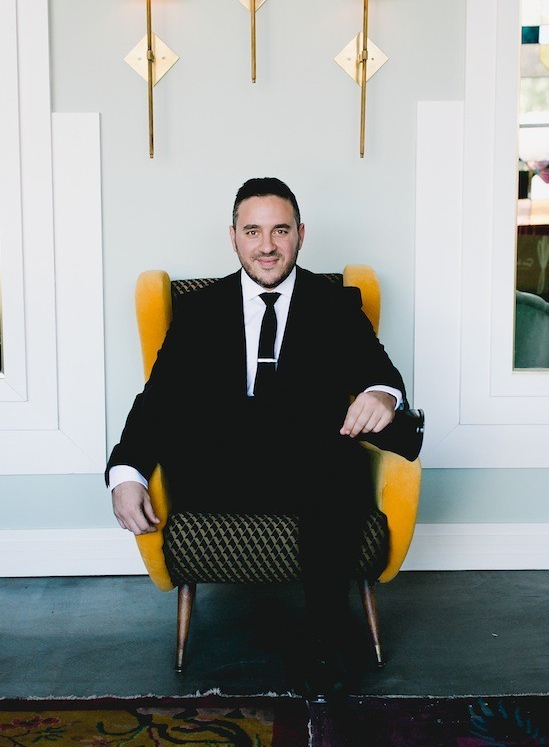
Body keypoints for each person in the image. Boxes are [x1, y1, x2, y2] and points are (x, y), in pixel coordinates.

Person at [106, 177, 406, 701]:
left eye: (280, 230)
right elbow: (158, 401)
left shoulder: (335, 304)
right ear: (233, 237)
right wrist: (126, 472)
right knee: (316, 454)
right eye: (253, 231)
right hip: (222, 471)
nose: (267, 246)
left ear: (301, 235)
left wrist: (381, 395)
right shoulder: (199, 310)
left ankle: (325, 640)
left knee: (335, 463)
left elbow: (382, 374)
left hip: (310, 473)